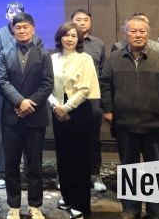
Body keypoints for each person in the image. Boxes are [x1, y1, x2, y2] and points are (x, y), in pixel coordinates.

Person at [100, 15, 159, 219]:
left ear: (148, 34)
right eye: (133, 31)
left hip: (156, 125)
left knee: (157, 169)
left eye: (142, 31)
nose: (138, 35)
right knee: (129, 169)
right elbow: (105, 85)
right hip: (125, 125)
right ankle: (131, 209)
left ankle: (157, 211)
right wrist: (108, 109)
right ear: (125, 34)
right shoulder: (114, 59)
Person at [0, 12, 53, 219]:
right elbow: (2, 82)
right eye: (18, 27)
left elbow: (47, 84)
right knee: (11, 164)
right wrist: (20, 101)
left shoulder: (44, 54)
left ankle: (35, 205)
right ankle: (13, 206)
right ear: (13, 30)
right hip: (12, 117)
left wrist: (30, 103)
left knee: (35, 165)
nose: (21, 30)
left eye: (25, 27)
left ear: (33, 28)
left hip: (35, 117)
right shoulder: (5, 54)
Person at [0, 1, 43, 189]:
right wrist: (17, 99)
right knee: (6, 133)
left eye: (18, 11)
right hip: (6, 93)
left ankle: (29, 172)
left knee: (31, 136)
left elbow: (39, 66)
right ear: (6, 16)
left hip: (31, 95)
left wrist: (26, 100)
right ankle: (4, 172)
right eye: (11, 11)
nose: (14, 14)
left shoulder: (35, 37)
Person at [50, 22, 100, 219]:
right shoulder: (52, 59)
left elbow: (85, 88)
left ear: (79, 39)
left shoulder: (85, 58)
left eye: (73, 35)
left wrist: (66, 108)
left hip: (79, 111)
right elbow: (46, 86)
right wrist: (56, 106)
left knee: (79, 159)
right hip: (57, 110)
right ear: (59, 37)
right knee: (63, 157)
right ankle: (68, 196)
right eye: (66, 35)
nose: (69, 39)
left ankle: (80, 203)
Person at [70, 8, 106, 193]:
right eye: (78, 19)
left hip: (92, 98)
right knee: (70, 138)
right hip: (69, 97)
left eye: (86, 19)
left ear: (90, 23)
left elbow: (103, 73)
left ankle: (94, 173)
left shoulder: (98, 44)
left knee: (93, 137)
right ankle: (68, 174)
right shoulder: (66, 41)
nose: (82, 22)